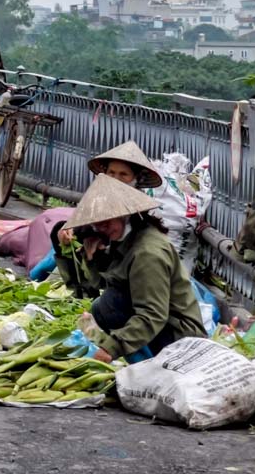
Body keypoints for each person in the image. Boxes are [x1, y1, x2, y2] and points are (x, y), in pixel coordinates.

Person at [64, 174, 206, 362]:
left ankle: (150, 366)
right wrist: (94, 256)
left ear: (124, 214)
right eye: (98, 224)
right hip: (164, 327)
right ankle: (143, 363)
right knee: (102, 306)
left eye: (108, 221)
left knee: (110, 305)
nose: (103, 228)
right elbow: (91, 287)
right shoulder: (120, 239)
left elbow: (152, 314)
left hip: (182, 339)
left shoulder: (147, 253)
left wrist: (110, 349)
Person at [45, 141, 163, 295]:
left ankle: (96, 294)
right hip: (99, 257)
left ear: (135, 179)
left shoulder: (139, 210)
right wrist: (69, 230)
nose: (115, 179)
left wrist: (105, 244)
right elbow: (87, 224)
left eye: (123, 174)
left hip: (124, 269)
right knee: (61, 231)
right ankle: (78, 289)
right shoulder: (100, 197)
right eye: (111, 173)